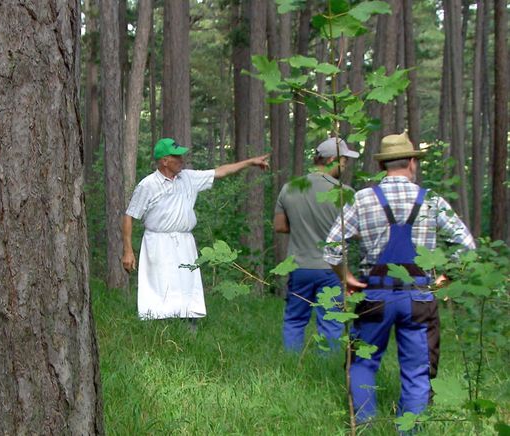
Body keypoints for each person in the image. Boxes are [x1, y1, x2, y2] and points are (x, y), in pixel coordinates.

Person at [323, 132, 475, 422]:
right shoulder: (430, 199)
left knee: (363, 364)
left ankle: (365, 426)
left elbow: (331, 248)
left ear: (383, 167)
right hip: (419, 297)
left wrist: (347, 278)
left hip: (374, 295)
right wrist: (447, 276)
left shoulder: (363, 199)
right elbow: (467, 246)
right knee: (418, 370)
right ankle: (411, 429)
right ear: (412, 163)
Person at [122, 137, 269, 323]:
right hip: (158, 243)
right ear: (165, 161)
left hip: (184, 242)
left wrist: (249, 162)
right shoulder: (148, 185)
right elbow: (129, 216)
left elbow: (220, 172)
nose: (182, 160)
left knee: (186, 283)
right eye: (177, 157)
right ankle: (158, 328)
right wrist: (128, 250)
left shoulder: (188, 178)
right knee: (160, 285)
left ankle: (189, 326)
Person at [274, 137, 359, 352]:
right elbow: (355, 232)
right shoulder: (345, 193)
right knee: (331, 321)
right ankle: (326, 370)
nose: (345, 165)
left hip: (299, 266)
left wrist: (304, 227)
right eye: (344, 160)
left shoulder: (290, 188)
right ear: (332, 159)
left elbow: (280, 227)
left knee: (294, 319)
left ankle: (291, 365)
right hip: (332, 268)